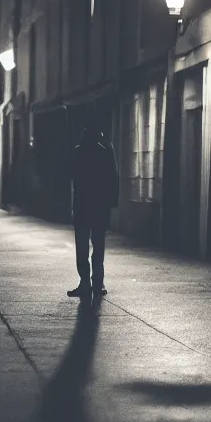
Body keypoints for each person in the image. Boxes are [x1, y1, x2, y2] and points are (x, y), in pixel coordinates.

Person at [67, 127, 119, 297]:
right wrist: (112, 203)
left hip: (83, 206)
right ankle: (97, 283)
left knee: (82, 248)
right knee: (98, 247)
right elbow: (113, 178)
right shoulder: (106, 152)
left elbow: (71, 177)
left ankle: (85, 283)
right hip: (99, 206)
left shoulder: (78, 152)